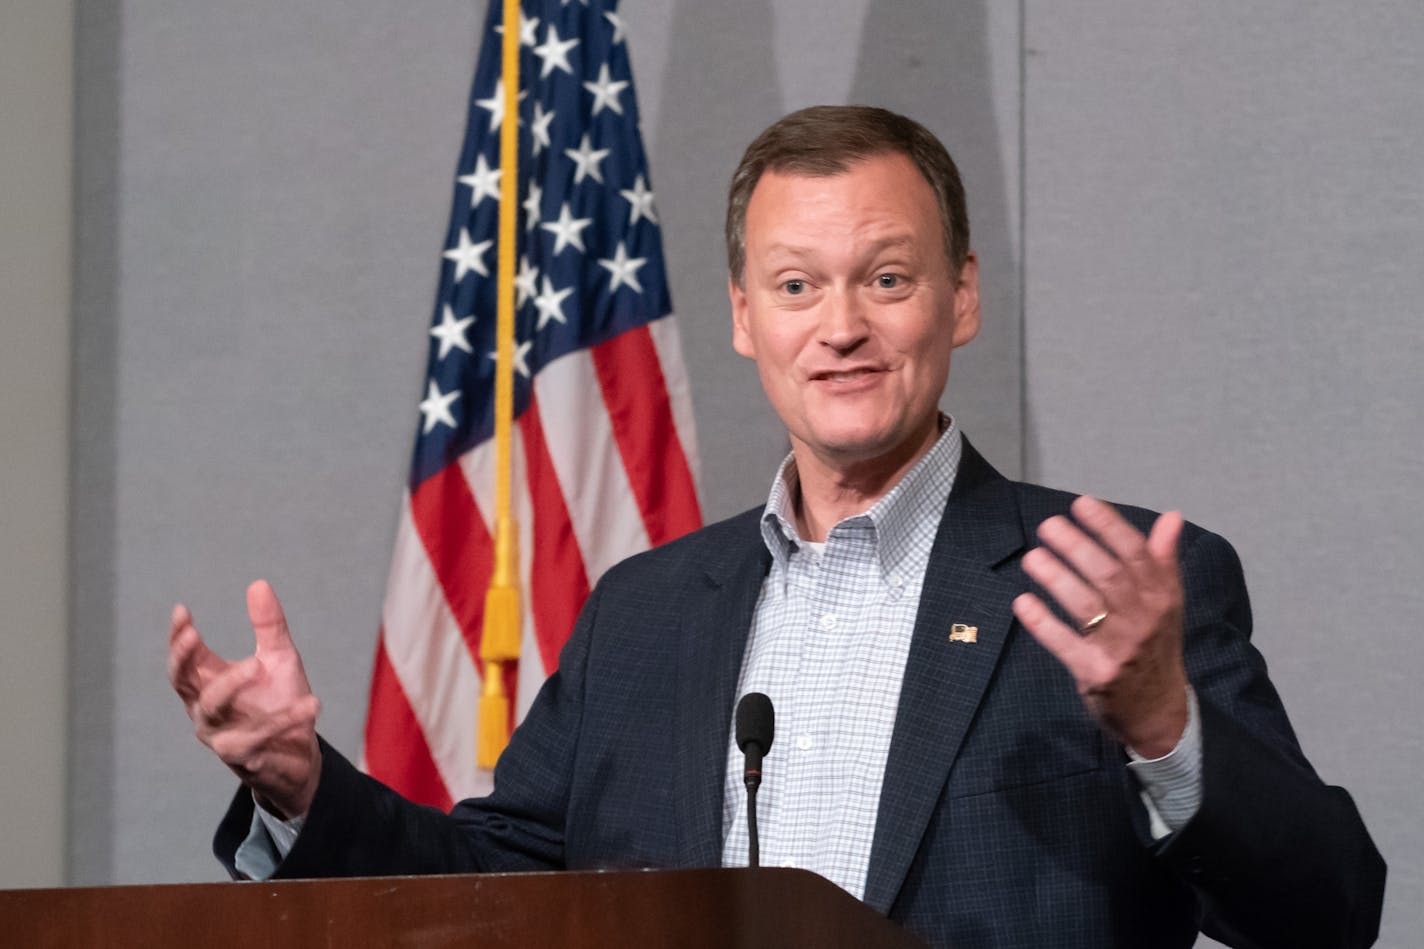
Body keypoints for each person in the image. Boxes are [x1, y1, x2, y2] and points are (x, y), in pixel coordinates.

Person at [168, 106, 1385, 948]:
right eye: (797, 285)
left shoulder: (1108, 583)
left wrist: (1163, 726)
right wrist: (301, 786)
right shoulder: (643, 614)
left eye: (887, 277)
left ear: (958, 297)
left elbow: (1324, 914)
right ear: (746, 319)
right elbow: (496, 894)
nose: (839, 326)